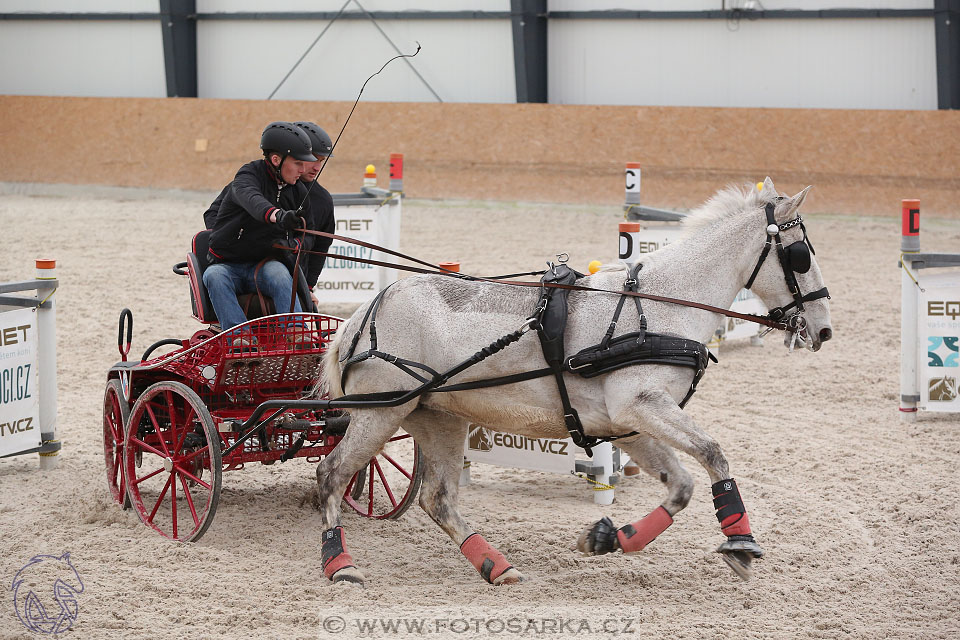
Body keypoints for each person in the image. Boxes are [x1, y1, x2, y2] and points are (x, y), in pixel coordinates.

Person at [203, 121, 315, 336]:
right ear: (276, 160)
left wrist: (293, 244)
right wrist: (278, 216)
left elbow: (308, 236)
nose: (303, 170)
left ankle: (298, 334)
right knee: (213, 275)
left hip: (264, 266)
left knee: (281, 274)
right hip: (227, 265)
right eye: (298, 163)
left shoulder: (299, 192)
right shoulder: (246, 177)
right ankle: (239, 337)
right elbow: (253, 201)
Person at [291, 121, 336, 309]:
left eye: (321, 161)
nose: (317, 167)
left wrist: (307, 286)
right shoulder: (257, 182)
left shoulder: (323, 200)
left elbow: (321, 248)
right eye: (313, 159)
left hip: (296, 280)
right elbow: (214, 216)